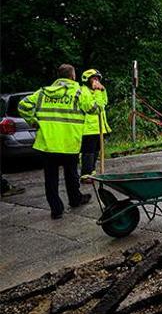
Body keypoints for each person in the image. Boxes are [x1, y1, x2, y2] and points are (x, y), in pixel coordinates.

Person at [18, 64, 100, 219]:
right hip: (69, 142)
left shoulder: (43, 92)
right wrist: (96, 92)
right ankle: (75, 199)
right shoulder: (79, 92)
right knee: (71, 174)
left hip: (47, 144)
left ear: (59, 77)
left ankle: (56, 209)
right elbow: (94, 109)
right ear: (72, 76)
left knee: (50, 178)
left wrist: (33, 121)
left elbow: (23, 105)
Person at [80, 69, 111, 177]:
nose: (97, 80)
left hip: (99, 127)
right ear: (87, 80)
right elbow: (95, 108)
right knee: (88, 152)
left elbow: (104, 103)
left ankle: (92, 172)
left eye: (98, 78)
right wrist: (98, 91)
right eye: (94, 78)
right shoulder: (83, 91)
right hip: (88, 128)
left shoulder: (98, 90)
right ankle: (86, 174)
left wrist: (101, 90)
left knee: (96, 151)